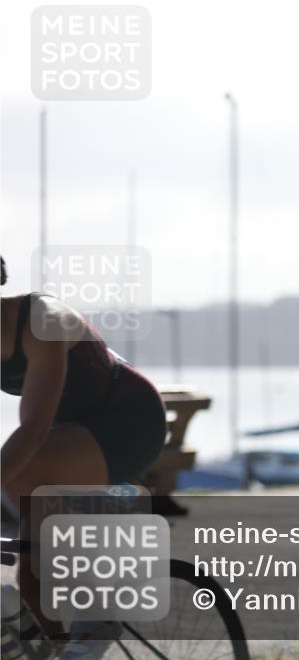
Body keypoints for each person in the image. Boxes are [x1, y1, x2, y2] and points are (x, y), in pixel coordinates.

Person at [0, 255, 167, 658]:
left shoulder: (44, 320)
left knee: (27, 471)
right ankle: (54, 649)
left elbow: (33, 429)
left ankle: (97, 614)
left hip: (129, 421)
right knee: (32, 577)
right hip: (68, 436)